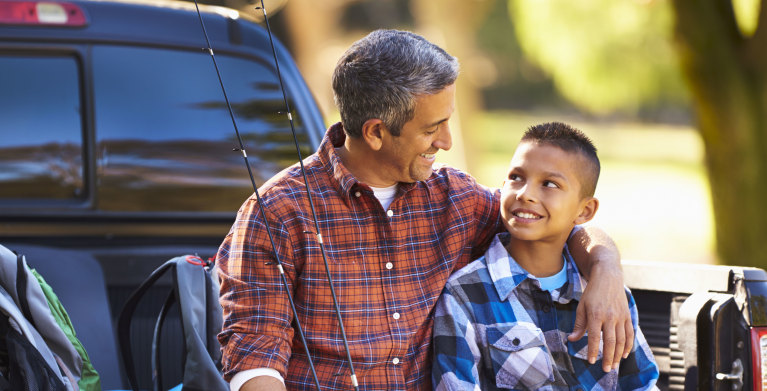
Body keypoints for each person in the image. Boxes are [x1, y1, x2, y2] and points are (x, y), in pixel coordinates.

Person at [216, 30, 632, 391]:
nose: (447, 141)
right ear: (376, 132)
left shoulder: (457, 199)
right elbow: (255, 355)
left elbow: (547, 223)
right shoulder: (276, 213)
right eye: (432, 129)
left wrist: (606, 267)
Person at [432, 122, 659, 390]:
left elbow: (642, 385)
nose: (525, 194)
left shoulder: (609, 295)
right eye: (516, 177)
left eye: (549, 184)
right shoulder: (465, 295)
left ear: (585, 211)